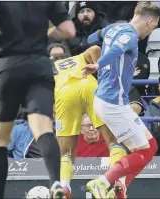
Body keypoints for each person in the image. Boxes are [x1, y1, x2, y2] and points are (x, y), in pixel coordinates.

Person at [0, 2, 76, 199]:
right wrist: (46, 34)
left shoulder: (0, 3)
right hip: (39, 67)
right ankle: (56, 183)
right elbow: (69, 30)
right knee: (43, 129)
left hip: (7, 68)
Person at [82, 2, 160, 198]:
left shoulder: (113, 27)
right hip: (113, 102)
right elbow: (117, 49)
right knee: (145, 152)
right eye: (154, 27)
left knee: (150, 147)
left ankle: (120, 187)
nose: (152, 31)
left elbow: (92, 38)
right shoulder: (131, 35)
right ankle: (103, 182)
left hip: (107, 99)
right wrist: (99, 65)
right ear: (150, 21)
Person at [54, 46, 119, 199]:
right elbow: (96, 48)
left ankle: (64, 186)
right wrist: (100, 69)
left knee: (66, 152)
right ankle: (115, 182)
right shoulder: (78, 57)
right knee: (113, 141)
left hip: (64, 93)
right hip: (88, 84)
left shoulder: (50, 67)